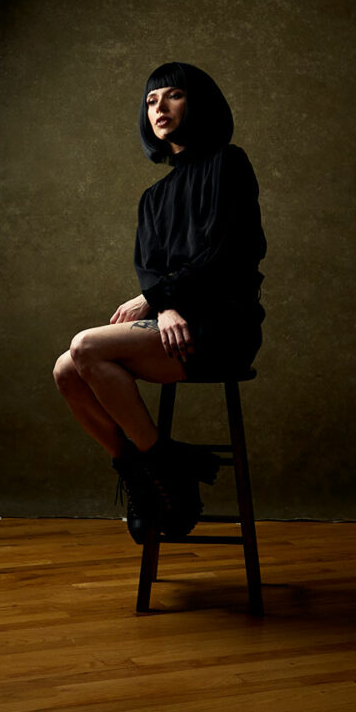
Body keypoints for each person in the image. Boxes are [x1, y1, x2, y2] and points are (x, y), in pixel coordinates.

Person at [53, 61, 266, 541]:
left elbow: (230, 252)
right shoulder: (153, 198)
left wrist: (161, 299)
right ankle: (145, 472)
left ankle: (162, 469)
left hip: (221, 327)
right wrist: (163, 304)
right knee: (66, 370)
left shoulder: (229, 163)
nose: (159, 108)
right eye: (151, 101)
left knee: (85, 346)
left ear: (198, 103)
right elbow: (150, 269)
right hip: (173, 324)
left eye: (172, 96)